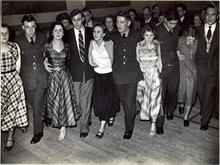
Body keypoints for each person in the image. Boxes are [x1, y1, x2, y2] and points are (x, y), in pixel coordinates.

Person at [43, 22, 81, 141]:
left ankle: (63, 127)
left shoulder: (67, 46)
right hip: (53, 77)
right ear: (52, 32)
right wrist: (44, 64)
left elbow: (69, 61)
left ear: (63, 32)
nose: (58, 32)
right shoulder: (47, 46)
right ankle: (57, 121)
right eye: (56, 30)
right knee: (55, 101)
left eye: (60, 30)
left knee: (65, 101)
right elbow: (43, 59)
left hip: (64, 76)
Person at [15, 15, 47, 144]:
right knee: (34, 106)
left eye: (33, 27)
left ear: (36, 26)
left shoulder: (43, 38)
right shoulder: (17, 41)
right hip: (27, 79)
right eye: (27, 27)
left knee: (37, 104)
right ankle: (45, 116)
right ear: (23, 27)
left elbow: (48, 54)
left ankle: (38, 132)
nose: (30, 30)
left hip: (42, 77)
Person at [110, 11, 142, 139]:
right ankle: (132, 112)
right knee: (125, 103)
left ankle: (129, 128)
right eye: (117, 21)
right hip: (117, 76)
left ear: (128, 23)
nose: (119, 24)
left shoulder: (137, 35)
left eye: (122, 22)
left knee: (129, 104)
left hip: (133, 75)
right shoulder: (111, 36)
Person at [66, 9, 94, 138]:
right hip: (74, 72)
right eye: (74, 20)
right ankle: (85, 118)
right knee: (76, 101)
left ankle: (84, 127)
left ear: (83, 19)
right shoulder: (67, 34)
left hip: (89, 71)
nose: (77, 22)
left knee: (85, 100)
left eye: (79, 19)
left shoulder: (91, 32)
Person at [1, 24, 28, 151]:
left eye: (6, 33)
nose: (4, 35)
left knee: (12, 109)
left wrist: (12, 80)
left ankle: (10, 137)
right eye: (1, 33)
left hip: (13, 81)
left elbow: (18, 68)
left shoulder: (14, 46)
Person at [88, 23, 116, 138]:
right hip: (97, 76)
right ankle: (110, 115)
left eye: (98, 32)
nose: (96, 34)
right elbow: (89, 57)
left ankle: (101, 128)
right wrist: (92, 63)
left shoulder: (109, 43)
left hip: (109, 76)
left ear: (104, 33)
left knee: (107, 101)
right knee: (99, 101)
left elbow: (113, 59)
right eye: (94, 31)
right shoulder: (91, 43)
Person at [156, 9, 181, 135]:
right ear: (165, 20)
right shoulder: (157, 30)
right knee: (161, 96)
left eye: (175, 23)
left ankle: (171, 110)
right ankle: (160, 123)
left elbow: (176, 44)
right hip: (162, 68)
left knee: (172, 91)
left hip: (174, 67)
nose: (174, 26)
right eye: (171, 23)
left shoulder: (177, 28)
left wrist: (179, 51)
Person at [196, 5, 219, 130]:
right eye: (208, 14)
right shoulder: (197, 30)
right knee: (201, 92)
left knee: (209, 95)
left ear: (217, 16)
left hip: (213, 70)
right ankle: (205, 110)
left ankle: (204, 120)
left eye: (213, 14)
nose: (210, 17)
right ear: (204, 15)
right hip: (199, 69)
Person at [136, 25, 162, 136]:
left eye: (151, 35)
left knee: (155, 99)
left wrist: (160, 74)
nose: (149, 38)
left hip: (155, 74)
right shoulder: (139, 45)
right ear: (143, 35)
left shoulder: (157, 44)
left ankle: (153, 124)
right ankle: (147, 114)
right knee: (141, 98)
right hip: (143, 75)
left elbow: (159, 59)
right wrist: (140, 76)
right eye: (146, 35)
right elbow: (137, 61)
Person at [177, 26, 198, 127]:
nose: (190, 40)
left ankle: (186, 116)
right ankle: (181, 103)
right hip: (181, 70)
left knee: (190, 93)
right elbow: (174, 48)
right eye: (189, 38)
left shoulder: (198, 43)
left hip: (192, 72)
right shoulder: (180, 40)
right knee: (181, 90)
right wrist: (178, 52)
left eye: (192, 39)